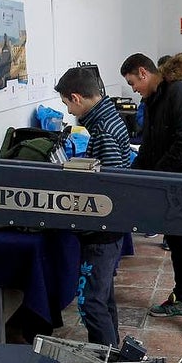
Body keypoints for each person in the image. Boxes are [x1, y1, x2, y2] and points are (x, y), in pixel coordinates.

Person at [120, 52, 182, 340]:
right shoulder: (153, 100)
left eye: (132, 81)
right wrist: (133, 174)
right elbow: (149, 146)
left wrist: (157, 175)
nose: (133, 88)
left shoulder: (179, 93)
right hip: (170, 184)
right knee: (176, 242)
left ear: (143, 72)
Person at [55, 66, 133, 347]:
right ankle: (112, 353)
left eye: (66, 103)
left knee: (91, 303)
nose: (67, 111)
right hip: (110, 230)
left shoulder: (103, 131)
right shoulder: (107, 117)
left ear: (76, 97)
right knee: (103, 298)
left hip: (103, 231)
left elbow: (109, 189)